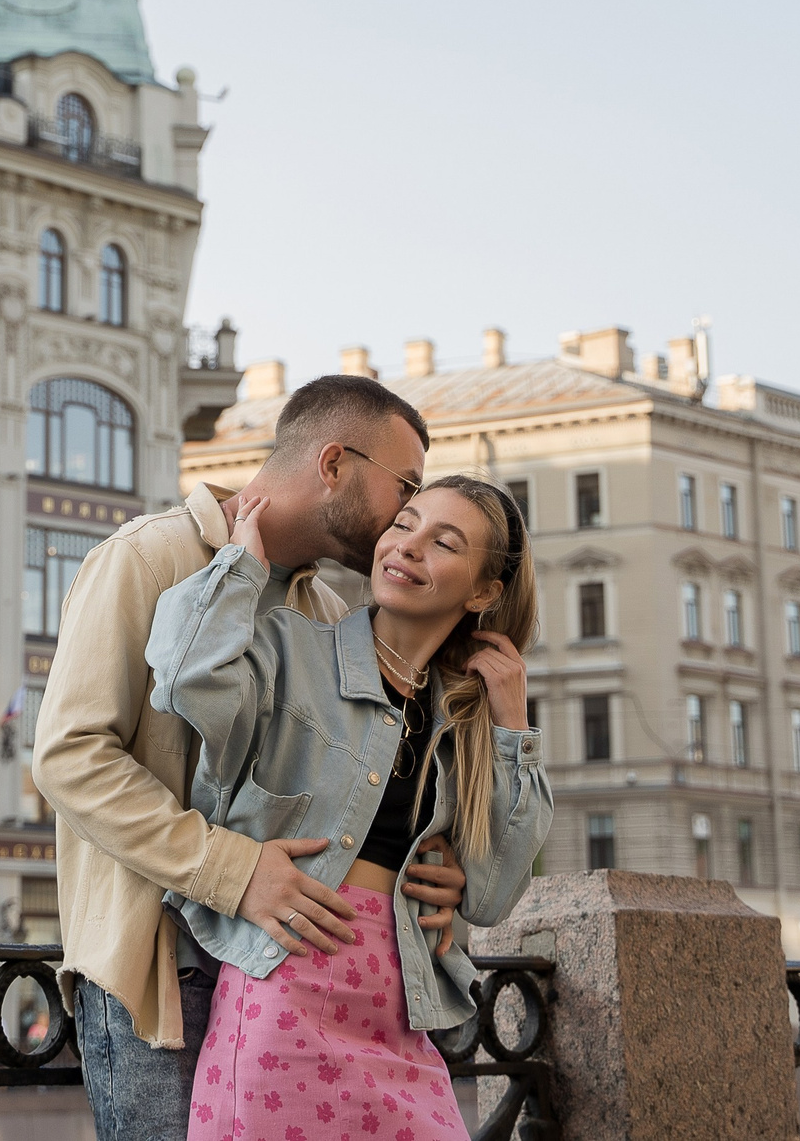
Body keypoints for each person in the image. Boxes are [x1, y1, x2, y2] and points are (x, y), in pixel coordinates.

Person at [32, 374, 471, 1141]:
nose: (408, 515)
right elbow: (70, 756)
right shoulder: (148, 556)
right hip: (159, 977)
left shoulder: (329, 612)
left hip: (288, 979)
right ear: (333, 461)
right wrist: (234, 872)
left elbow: (346, 799)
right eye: (405, 487)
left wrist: (420, 868)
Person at [147, 476, 550, 1141]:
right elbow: (183, 674)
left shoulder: (464, 719)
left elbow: (493, 894)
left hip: (398, 1005)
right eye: (405, 524)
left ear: (483, 591)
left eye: (443, 541)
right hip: (284, 986)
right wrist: (244, 563)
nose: (408, 547)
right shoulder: (290, 646)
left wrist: (512, 727)